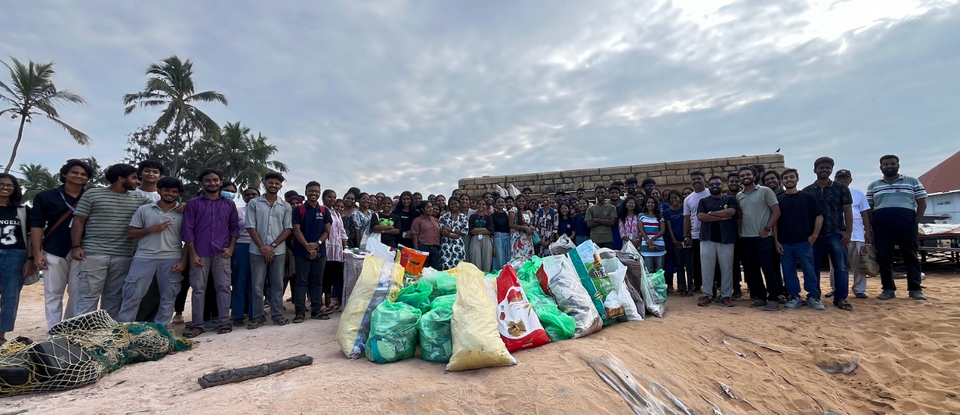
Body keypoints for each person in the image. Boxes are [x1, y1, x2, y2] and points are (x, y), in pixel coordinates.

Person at [71, 164, 150, 319]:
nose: (138, 182)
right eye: (134, 178)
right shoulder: (93, 194)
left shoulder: (139, 198)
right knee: (88, 296)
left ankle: (107, 335)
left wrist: (182, 206)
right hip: (94, 254)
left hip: (123, 255)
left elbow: (161, 207)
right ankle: (82, 335)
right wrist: (76, 246)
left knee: (114, 298)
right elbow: (78, 221)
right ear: (121, 178)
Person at [30, 159, 92, 328]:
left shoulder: (90, 196)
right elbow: (36, 225)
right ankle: (53, 330)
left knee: (77, 292)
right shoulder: (46, 196)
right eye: (75, 172)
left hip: (82, 250)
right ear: (65, 174)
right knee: (53, 293)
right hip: (54, 249)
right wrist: (37, 253)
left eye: (84, 174)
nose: (79, 176)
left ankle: (69, 328)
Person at [117, 177, 187, 324]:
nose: (170, 194)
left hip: (172, 257)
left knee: (168, 296)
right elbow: (131, 233)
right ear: (159, 190)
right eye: (166, 190)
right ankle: (123, 328)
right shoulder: (145, 209)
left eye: (174, 192)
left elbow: (189, 240)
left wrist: (183, 261)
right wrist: (151, 230)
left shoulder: (184, 212)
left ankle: (161, 330)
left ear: (178, 194)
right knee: (133, 293)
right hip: (143, 257)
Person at [180, 170, 239, 337]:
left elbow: (234, 228)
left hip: (222, 252)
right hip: (200, 252)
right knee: (198, 289)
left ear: (220, 182)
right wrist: (193, 254)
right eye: (208, 180)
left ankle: (224, 322)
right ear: (202, 183)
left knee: (224, 287)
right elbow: (188, 230)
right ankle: (197, 324)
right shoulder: (193, 204)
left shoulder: (228, 204)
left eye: (215, 180)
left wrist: (231, 248)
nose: (212, 183)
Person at [867, 155, 927, 301]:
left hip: (907, 224)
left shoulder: (912, 181)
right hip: (882, 226)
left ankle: (915, 289)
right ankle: (888, 289)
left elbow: (922, 203)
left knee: (911, 256)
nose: (889, 166)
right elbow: (869, 207)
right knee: (884, 257)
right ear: (880, 167)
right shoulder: (874, 185)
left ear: (898, 165)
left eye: (892, 164)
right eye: (886, 164)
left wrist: (915, 221)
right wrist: (872, 225)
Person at [802, 157, 854, 311]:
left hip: (835, 232)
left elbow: (847, 211)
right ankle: (814, 296)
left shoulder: (841, 188)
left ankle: (841, 298)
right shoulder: (808, 191)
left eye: (827, 168)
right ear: (815, 170)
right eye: (821, 168)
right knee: (813, 267)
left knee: (841, 267)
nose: (824, 170)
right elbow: (805, 214)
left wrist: (848, 231)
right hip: (814, 235)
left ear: (831, 169)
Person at [246, 171, 293, 329]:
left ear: (280, 186)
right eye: (270, 183)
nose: (273, 185)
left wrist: (271, 246)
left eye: (277, 183)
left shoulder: (285, 206)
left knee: (277, 283)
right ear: (264, 183)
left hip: (278, 250)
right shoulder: (254, 203)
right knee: (257, 284)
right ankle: (258, 316)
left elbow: (288, 228)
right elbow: (250, 226)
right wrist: (262, 247)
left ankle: (277, 315)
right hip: (256, 250)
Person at [773, 169, 825, 310]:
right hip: (785, 243)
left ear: (797, 178)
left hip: (804, 241)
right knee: (789, 271)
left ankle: (813, 296)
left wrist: (814, 235)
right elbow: (775, 222)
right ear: (781, 181)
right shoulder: (779, 200)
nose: (789, 180)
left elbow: (819, 216)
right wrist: (776, 241)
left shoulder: (808, 197)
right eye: (786, 178)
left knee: (809, 270)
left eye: (791, 177)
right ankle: (794, 296)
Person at [736, 166, 782, 310]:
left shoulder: (765, 191)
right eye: (742, 176)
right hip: (747, 238)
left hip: (763, 236)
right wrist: (740, 234)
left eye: (748, 174)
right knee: (752, 269)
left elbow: (776, 211)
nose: (745, 177)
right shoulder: (739, 196)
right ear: (740, 179)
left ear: (754, 175)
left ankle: (773, 299)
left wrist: (767, 228)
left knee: (768, 268)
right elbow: (740, 217)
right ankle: (761, 297)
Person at [0, 174, 37, 343]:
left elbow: (31, 236)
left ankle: (1, 335)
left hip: (14, 255)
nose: (5, 187)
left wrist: (30, 259)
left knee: (10, 296)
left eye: (9, 185)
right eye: (1, 184)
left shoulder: (22, 211)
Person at [291, 181, 332, 323]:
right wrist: (307, 246)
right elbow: (296, 230)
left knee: (317, 282)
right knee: (301, 282)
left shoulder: (324, 211)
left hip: (320, 251)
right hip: (302, 251)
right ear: (306, 192)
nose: (313, 193)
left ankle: (316, 309)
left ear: (319, 193)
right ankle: (300, 312)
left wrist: (317, 244)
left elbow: (327, 231)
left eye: (316, 191)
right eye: (311, 191)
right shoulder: (299, 210)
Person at [828, 169, 872, 299]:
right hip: (836, 235)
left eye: (845, 178)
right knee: (836, 264)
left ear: (850, 180)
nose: (842, 180)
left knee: (858, 263)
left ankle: (859, 289)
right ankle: (835, 288)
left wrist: (868, 232)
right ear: (835, 179)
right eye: (839, 177)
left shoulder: (858, 194)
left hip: (857, 234)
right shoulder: (831, 193)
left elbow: (865, 214)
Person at [696, 177, 738, 307]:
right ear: (709, 186)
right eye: (712, 184)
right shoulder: (703, 201)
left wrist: (712, 214)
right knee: (707, 268)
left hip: (725, 239)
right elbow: (701, 216)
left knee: (727, 269)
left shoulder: (730, 199)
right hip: (707, 238)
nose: (715, 186)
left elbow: (731, 212)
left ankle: (726, 295)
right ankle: (707, 294)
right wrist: (722, 215)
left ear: (722, 185)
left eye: (718, 184)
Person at [229, 187, 259, 327]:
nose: (251, 196)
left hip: (260, 248)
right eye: (248, 195)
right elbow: (233, 230)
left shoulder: (264, 211)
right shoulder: (239, 211)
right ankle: (238, 314)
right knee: (239, 281)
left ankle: (255, 313)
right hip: (242, 246)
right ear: (244, 197)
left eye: (254, 194)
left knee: (256, 282)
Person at [321, 189, 348, 314]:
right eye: (329, 197)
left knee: (334, 276)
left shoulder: (336, 213)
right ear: (324, 198)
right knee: (324, 275)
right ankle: (324, 303)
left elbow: (342, 231)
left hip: (337, 249)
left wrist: (345, 247)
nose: (332, 199)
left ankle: (332, 302)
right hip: (326, 247)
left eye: (334, 197)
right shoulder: (322, 210)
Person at [683, 171, 710, 292]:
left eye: (699, 178)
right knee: (697, 262)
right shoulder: (688, 199)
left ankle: (715, 285)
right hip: (696, 234)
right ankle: (698, 284)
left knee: (713, 262)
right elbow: (687, 219)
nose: (696, 181)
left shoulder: (710, 193)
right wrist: (686, 236)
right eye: (693, 179)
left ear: (705, 179)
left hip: (712, 233)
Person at [664, 190, 693, 296]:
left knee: (689, 264)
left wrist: (688, 237)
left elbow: (689, 222)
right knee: (680, 265)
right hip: (676, 241)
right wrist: (674, 241)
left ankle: (690, 288)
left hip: (687, 239)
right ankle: (683, 289)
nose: (674, 200)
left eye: (676, 197)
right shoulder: (667, 212)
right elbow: (669, 227)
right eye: (672, 198)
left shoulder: (684, 208)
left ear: (680, 198)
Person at [639, 195, 667, 273]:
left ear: (655, 204)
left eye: (652, 202)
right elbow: (641, 230)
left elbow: (662, 230)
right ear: (645, 204)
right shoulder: (641, 216)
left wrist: (652, 240)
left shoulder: (660, 216)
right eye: (648, 202)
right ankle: (651, 286)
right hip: (646, 246)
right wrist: (648, 241)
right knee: (649, 271)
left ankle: (659, 286)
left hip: (659, 246)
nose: (650, 204)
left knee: (660, 271)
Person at [411, 202, 442, 270]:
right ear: (422, 209)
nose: (431, 209)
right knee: (423, 268)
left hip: (435, 247)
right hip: (423, 247)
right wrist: (417, 250)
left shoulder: (436, 220)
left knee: (435, 268)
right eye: (428, 207)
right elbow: (414, 235)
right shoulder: (417, 220)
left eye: (431, 207)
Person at [439, 198, 468, 269]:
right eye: (451, 204)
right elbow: (442, 230)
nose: (454, 205)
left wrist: (450, 230)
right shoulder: (444, 217)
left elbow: (464, 232)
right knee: (445, 267)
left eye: (455, 203)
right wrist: (453, 234)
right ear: (449, 205)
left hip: (458, 246)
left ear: (459, 204)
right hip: (446, 246)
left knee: (459, 268)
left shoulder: (463, 217)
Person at [467, 200, 494, 271]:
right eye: (479, 204)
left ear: (486, 206)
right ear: (477, 205)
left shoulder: (488, 217)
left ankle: (486, 275)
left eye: (483, 204)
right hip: (475, 239)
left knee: (487, 258)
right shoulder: (473, 217)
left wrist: (477, 230)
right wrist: (484, 229)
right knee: (475, 257)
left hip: (486, 239)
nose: (481, 206)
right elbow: (471, 230)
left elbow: (490, 230)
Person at [508, 197, 536, 261]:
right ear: (516, 202)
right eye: (519, 201)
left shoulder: (528, 212)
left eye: (523, 201)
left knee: (527, 257)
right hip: (517, 237)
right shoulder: (514, 210)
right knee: (517, 257)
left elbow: (531, 224)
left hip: (527, 238)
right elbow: (511, 224)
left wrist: (531, 228)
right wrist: (524, 227)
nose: (521, 203)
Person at [491, 197, 511, 270]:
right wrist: (493, 246)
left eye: (502, 202)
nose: (500, 204)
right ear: (495, 204)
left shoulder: (507, 215)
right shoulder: (492, 216)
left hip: (508, 237)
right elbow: (492, 232)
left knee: (508, 258)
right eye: (498, 202)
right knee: (499, 258)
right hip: (497, 238)